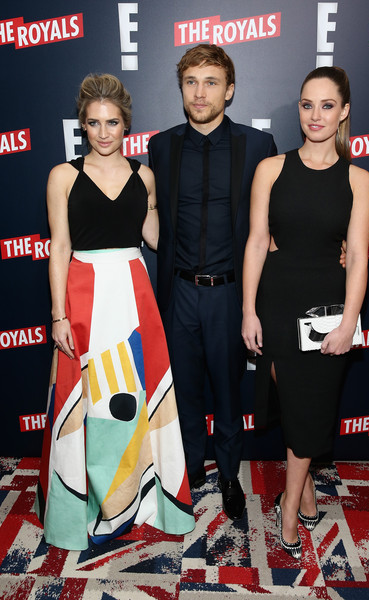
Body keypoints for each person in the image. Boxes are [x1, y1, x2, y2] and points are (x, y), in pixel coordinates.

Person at [35, 74, 195, 551]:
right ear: (83, 125)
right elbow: (59, 248)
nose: (103, 133)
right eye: (94, 123)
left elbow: (156, 238)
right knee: (86, 402)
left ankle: (142, 499)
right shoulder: (63, 176)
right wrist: (58, 315)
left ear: (127, 124)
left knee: (136, 395)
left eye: (112, 123)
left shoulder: (144, 176)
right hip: (83, 296)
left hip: (133, 295)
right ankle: (85, 504)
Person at [241, 66, 369, 559]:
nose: (315, 115)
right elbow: (257, 242)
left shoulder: (358, 179)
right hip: (276, 302)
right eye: (307, 104)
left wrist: (349, 322)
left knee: (309, 406)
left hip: (327, 309)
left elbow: (357, 255)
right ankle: (306, 492)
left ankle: (289, 508)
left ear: (344, 112)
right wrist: (248, 310)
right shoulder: (271, 169)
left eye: (327, 105)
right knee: (297, 405)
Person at [148, 44, 277, 521]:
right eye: (191, 82)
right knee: (183, 390)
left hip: (230, 292)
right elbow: (148, 214)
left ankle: (227, 473)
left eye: (211, 82)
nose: (199, 93)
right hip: (178, 290)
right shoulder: (161, 146)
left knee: (227, 390)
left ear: (230, 90)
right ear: (181, 89)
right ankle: (189, 467)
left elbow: (276, 219)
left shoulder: (257, 146)